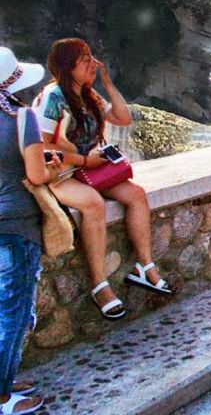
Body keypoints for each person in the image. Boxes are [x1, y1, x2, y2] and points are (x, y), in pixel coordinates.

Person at [34, 39, 171, 321]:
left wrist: (107, 81)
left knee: (136, 194)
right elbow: (43, 146)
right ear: (67, 66)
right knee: (94, 204)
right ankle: (100, 285)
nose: (92, 63)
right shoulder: (53, 96)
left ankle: (144, 266)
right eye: (84, 59)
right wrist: (84, 160)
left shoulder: (88, 94)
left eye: (90, 57)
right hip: (61, 173)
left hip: (92, 169)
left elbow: (123, 118)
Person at [0, 47, 63, 415]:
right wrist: (51, 169)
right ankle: (3, 397)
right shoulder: (22, 116)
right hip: (14, 227)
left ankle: (6, 378)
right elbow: (36, 175)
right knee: (12, 312)